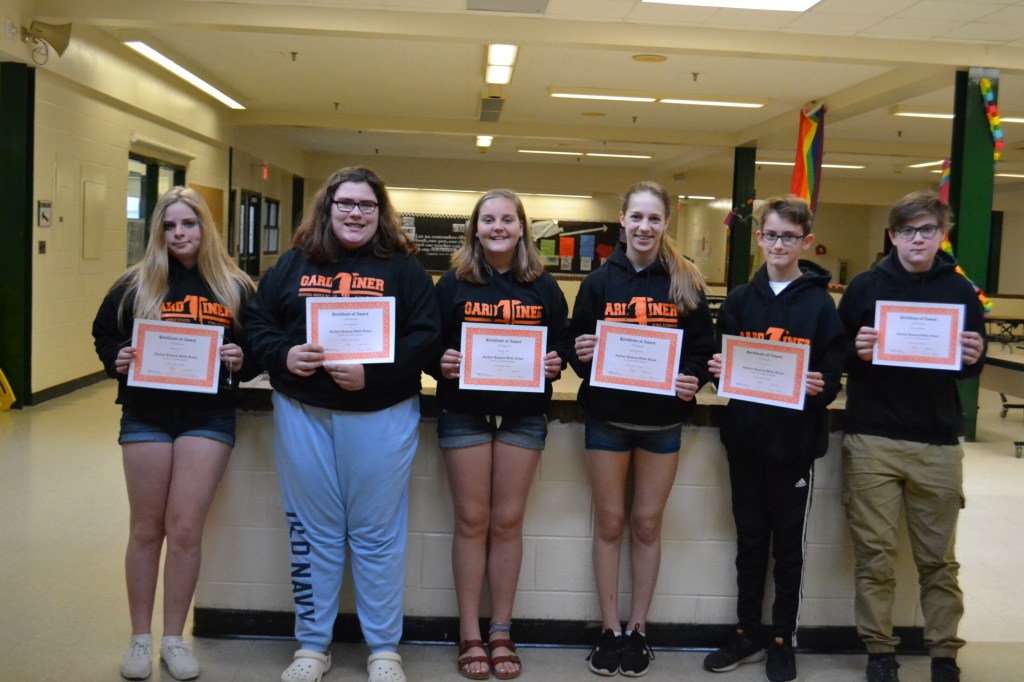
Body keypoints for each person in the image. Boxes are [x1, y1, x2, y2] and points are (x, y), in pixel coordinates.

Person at [243, 166, 441, 682]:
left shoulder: (404, 269)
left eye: (367, 205)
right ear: (328, 208)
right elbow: (258, 322)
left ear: (381, 212)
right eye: (346, 204)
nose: (356, 213)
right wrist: (284, 355)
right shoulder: (295, 262)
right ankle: (312, 645)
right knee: (313, 533)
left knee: (377, 535)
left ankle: (384, 649)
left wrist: (374, 374)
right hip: (304, 413)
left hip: (382, 415)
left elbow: (427, 337)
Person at [92, 187, 257, 680]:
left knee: (184, 530)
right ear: (158, 232)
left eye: (189, 224)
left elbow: (259, 346)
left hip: (208, 417)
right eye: (169, 226)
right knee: (146, 529)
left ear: (205, 227)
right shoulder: (135, 284)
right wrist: (117, 357)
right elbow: (104, 334)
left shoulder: (235, 286)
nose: (179, 234)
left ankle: (173, 639)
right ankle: (139, 639)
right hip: (146, 414)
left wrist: (243, 360)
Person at [837, 192, 986, 682]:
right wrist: (856, 351)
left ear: (942, 235)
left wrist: (974, 355)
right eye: (907, 230)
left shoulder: (961, 291)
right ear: (892, 235)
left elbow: (969, 365)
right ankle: (879, 652)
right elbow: (835, 354)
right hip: (872, 438)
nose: (917, 239)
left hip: (937, 442)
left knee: (938, 561)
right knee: (875, 558)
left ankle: (944, 653)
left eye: (927, 230)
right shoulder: (865, 286)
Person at [569, 180, 715, 677]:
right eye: (636, 217)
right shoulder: (598, 282)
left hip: (662, 423)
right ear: (622, 220)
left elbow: (703, 350)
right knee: (610, 524)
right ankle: (609, 630)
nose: (644, 227)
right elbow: (576, 346)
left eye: (654, 218)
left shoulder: (685, 281)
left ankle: (638, 630)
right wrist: (581, 353)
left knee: (647, 525)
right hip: (607, 420)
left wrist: (691, 378)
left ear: (666, 223)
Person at [702, 196, 845, 682]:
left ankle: (783, 638)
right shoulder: (741, 299)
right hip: (746, 440)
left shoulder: (820, 304)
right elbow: (721, 364)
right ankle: (747, 631)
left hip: (795, 445)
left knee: (787, 546)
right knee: (749, 542)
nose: (779, 244)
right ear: (759, 238)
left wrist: (822, 385)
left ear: (805, 241)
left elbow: (832, 371)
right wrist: (717, 369)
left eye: (789, 236)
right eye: (771, 235)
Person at [431, 190, 570, 680]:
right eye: (488, 219)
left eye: (506, 219)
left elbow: (562, 342)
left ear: (521, 228)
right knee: (472, 519)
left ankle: (501, 631)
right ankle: (470, 632)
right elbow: (428, 341)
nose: (497, 227)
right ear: (475, 228)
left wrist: (554, 361)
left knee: (508, 521)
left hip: (522, 415)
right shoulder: (453, 283)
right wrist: (440, 361)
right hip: (463, 412)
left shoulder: (543, 285)